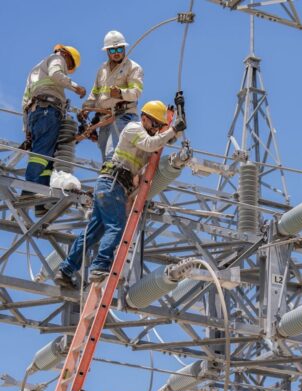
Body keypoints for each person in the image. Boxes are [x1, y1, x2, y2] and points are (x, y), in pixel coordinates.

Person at [54, 101, 186, 288]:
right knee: (116, 227)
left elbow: (164, 140)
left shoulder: (148, 136)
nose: (156, 128)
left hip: (110, 185)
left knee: (92, 233)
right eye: (154, 124)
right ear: (144, 118)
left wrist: (178, 123)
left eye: (159, 125)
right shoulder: (134, 129)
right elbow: (152, 144)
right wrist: (173, 130)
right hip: (113, 184)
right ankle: (99, 267)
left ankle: (65, 270)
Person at [22, 44, 86, 216]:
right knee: (41, 155)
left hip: (37, 113)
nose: (67, 68)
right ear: (66, 55)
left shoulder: (35, 71)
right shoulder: (56, 58)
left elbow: (25, 101)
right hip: (48, 110)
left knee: (48, 160)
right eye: (69, 65)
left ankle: (41, 203)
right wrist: (76, 87)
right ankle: (27, 192)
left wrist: (26, 129)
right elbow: (56, 74)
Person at [81, 30, 144, 162]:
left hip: (123, 116)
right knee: (105, 157)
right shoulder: (102, 69)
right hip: (104, 119)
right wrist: (87, 108)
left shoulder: (133, 68)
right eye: (112, 50)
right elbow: (95, 92)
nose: (116, 53)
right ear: (107, 51)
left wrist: (121, 93)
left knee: (112, 155)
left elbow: (136, 92)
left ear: (124, 48)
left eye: (119, 49)